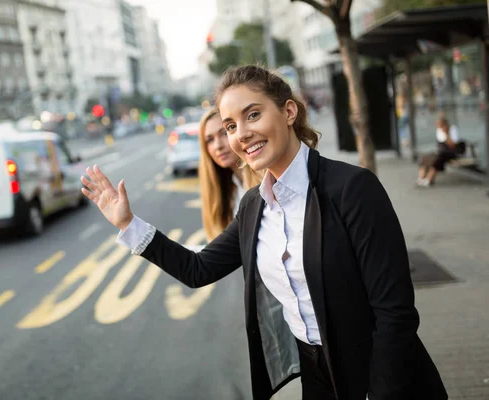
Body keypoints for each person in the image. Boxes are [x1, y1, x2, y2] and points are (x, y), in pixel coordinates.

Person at [81, 65, 446, 400]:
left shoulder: (352, 188)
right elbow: (198, 269)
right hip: (316, 374)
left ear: (289, 112)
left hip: (382, 374)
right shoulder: (254, 205)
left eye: (252, 114)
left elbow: (395, 313)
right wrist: (129, 224)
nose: (241, 134)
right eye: (230, 126)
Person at [198, 107, 261, 242]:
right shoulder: (226, 191)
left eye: (223, 133)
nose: (217, 146)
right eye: (210, 140)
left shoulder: (265, 180)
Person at [417, 117, 464, 187]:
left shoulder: (452, 130)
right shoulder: (439, 131)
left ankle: (429, 179)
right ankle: (421, 178)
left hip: (452, 152)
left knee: (439, 159)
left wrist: (446, 133)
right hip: (442, 152)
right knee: (426, 157)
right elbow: (440, 145)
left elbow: (453, 145)